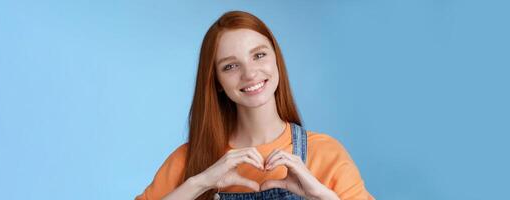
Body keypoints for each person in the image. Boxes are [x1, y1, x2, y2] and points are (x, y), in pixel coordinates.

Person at [135, 10, 374, 200]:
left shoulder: (325, 153)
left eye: (259, 55)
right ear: (217, 82)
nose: (249, 73)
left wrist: (321, 197)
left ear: (276, 59)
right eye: (230, 66)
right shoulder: (189, 161)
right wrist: (200, 183)